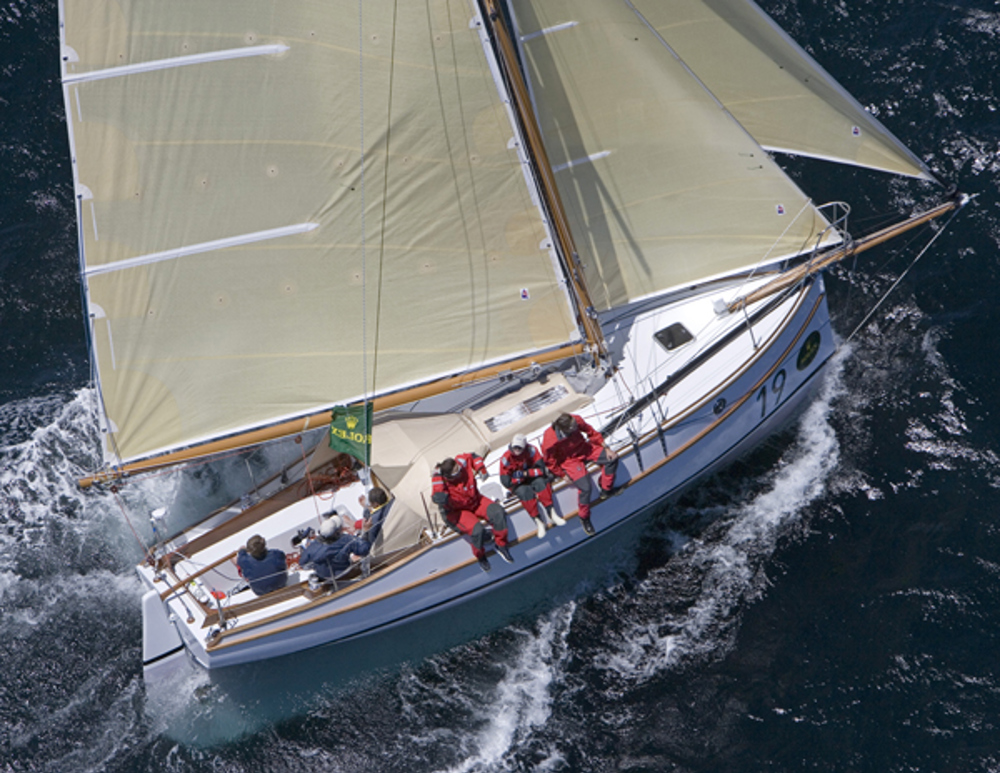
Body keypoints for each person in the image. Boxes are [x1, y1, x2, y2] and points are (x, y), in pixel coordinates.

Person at [431, 453, 513, 573]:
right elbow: (437, 494)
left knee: (498, 512)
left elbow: (473, 456)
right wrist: (440, 497)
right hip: (457, 511)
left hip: (475, 500)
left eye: (458, 469)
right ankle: (481, 556)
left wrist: (481, 468)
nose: (459, 473)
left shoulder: (462, 462)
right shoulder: (440, 480)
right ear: (448, 477)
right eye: (455, 473)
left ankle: (501, 544)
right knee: (477, 530)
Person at [541, 412, 620, 536]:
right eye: (572, 428)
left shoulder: (575, 420)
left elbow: (591, 432)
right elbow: (550, 461)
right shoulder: (549, 440)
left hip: (585, 449)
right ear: (564, 429)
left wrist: (605, 447)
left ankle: (606, 489)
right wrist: (562, 475)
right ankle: (584, 517)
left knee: (612, 459)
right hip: (569, 460)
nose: (576, 427)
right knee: (585, 487)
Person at [499, 434, 565, 538]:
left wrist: (525, 474)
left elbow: (541, 469)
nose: (517, 449)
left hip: (531, 476)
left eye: (519, 447)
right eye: (515, 447)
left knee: (541, 483)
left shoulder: (532, 451)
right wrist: (518, 479)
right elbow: (506, 481)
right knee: (524, 492)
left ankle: (551, 512)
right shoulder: (506, 458)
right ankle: (538, 521)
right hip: (518, 483)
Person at [296, 513, 371, 581]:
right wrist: (365, 531)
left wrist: (316, 565)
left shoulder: (312, 548)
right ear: (336, 532)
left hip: (325, 579)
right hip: (345, 574)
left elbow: (303, 564)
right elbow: (365, 549)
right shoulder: (346, 540)